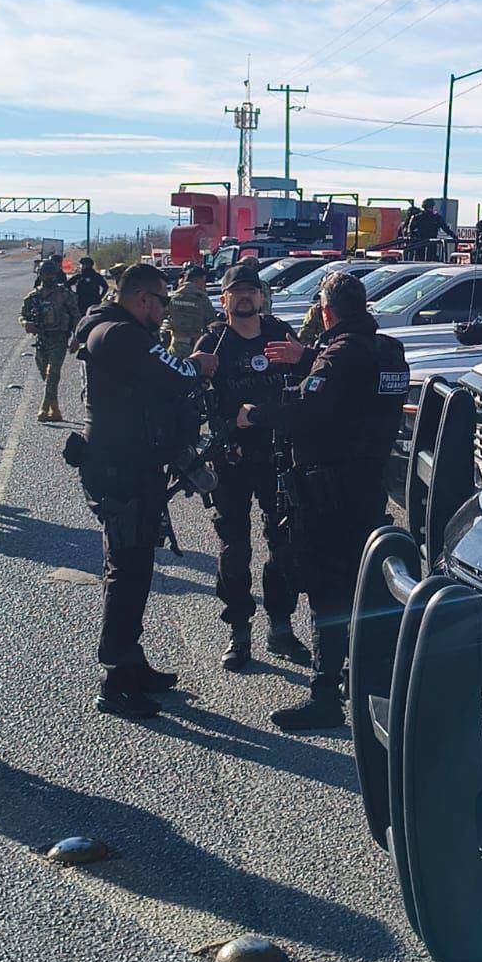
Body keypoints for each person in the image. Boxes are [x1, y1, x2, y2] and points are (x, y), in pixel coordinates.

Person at [238, 268, 409, 730]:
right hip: (369, 486)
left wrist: (254, 415)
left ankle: (324, 695)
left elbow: (305, 408)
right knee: (362, 586)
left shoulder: (340, 355)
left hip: (329, 492)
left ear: (327, 311)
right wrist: (307, 358)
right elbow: (351, 385)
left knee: (327, 594)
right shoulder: (389, 351)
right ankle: (366, 678)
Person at [71, 262, 219, 718]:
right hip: (119, 468)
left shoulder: (114, 329)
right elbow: (176, 373)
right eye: (162, 301)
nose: (165, 310)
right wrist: (198, 365)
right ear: (141, 298)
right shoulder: (120, 334)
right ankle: (115, 678)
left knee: (135, 569)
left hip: (130, 463)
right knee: (127, 572)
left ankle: (131, 663)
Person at [192, 263, 306, 671]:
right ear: (224, 300)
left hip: (278, 457)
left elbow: (308, 379)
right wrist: (196, 368)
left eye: (251, 291)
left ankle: (281, 628)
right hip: (232, 459)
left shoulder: (279, 333)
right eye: (236, 292)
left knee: (284, 544)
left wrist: (302, 360)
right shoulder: (213, 341)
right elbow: (190, 393)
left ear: (261, 297)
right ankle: (239, 632)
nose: (244, 298)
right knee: (235, 548)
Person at [20, 262, 79, 422]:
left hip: (59, 338)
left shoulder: (64, 294)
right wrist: (26, 323)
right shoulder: (33, 297)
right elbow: (23, 315)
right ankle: (55, 408)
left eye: (52, 273)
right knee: (45, 374)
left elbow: (76, 316)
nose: (49, 276)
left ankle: (44, 408)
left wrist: (76, 338)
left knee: (53, 373)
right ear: (40, 274)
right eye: (46, 273)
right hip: (41, 340)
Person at [161, 263, 218, 360]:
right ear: (200, 279)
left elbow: (162, 322)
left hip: (175, 348)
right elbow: (212, 323)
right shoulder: (202, 298)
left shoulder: (172, 297)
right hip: (195, 349)